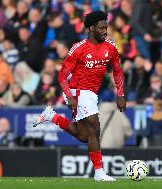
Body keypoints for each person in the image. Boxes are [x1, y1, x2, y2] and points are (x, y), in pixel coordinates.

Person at [33, 11, 126, 182]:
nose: (105, 31)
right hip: (77, 90)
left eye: (106, 27)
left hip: (91, 93)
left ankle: (51, 116)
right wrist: (70, 96)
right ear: (91, 28)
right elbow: (62, 75)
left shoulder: (110, 47)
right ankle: (99, 173)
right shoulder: (79, 48)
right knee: (94, 128)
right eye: (101, 28)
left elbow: (118, 72)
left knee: (84, 135)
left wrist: (120, 94)